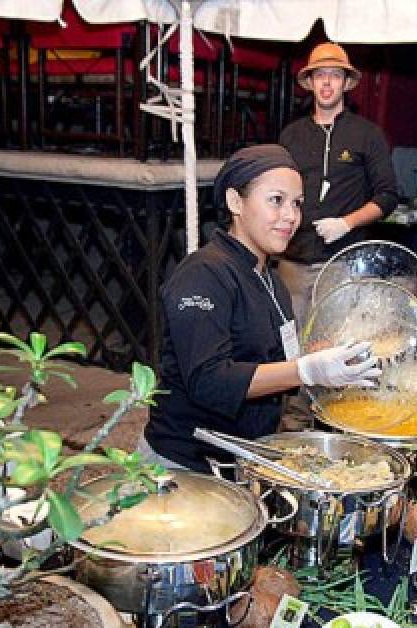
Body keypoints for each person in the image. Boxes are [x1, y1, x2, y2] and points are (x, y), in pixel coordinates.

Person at [140, 144, 380, 472]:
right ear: (235, 201)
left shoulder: (269, 277)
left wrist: (328, 357)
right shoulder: (204, 273)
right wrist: (306, 369)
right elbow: (209, 381)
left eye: (297, 203)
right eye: (276, 200)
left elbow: (272, 359)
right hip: (183, 465)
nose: (291, 216)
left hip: (242, 457)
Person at [277, 42, 399, 326]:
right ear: (311, 83)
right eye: (320, 75)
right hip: (293, 261)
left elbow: (388, 195)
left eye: (335, 74)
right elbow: (278, 192)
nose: (327, 82)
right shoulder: (292, 135)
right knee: (290, 344)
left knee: (334, 347)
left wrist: (347, 223)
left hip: (343, 263)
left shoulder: (367, 135)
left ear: (346, 83)